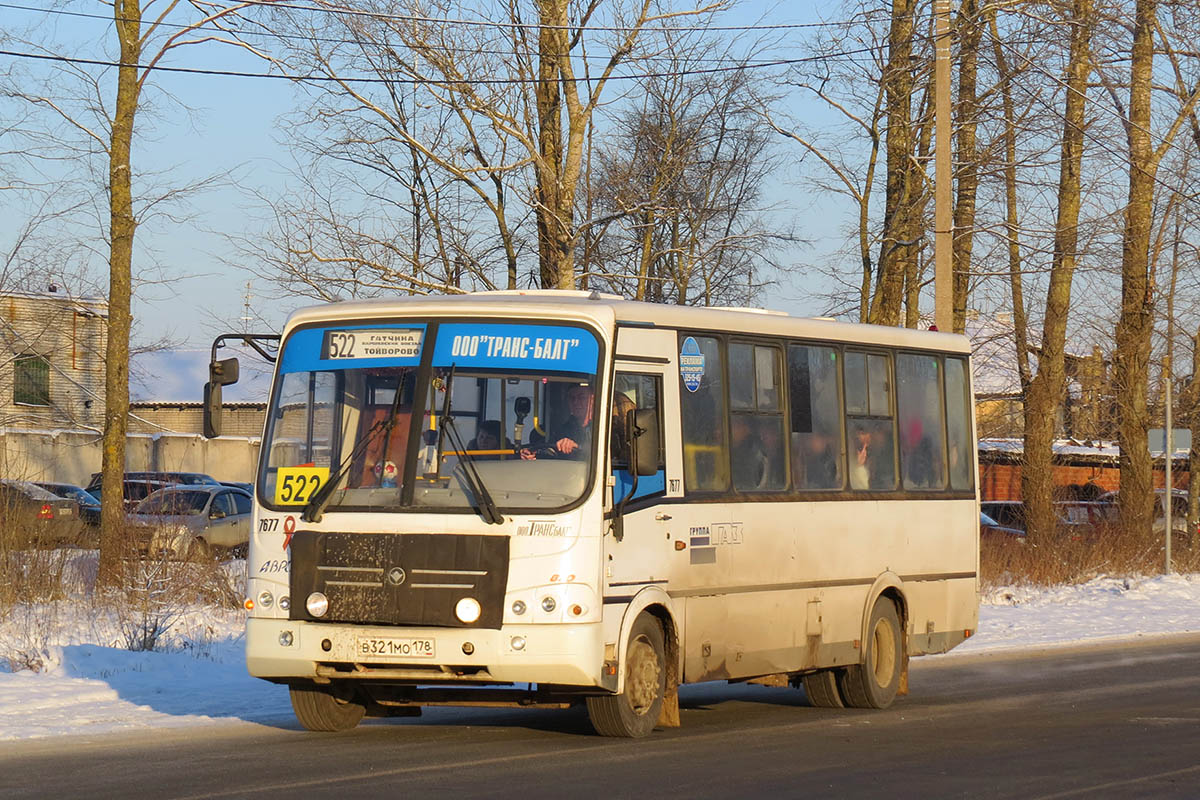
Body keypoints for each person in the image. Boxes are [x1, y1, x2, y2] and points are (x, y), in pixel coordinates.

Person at [521, 384, 594, 459]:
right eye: (572, 398)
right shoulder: (563, 430)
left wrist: (577, 447)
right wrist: (534, 454)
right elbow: (550, 450)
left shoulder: (602, 426)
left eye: (582, 397)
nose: (575, 402)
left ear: (593, 400)